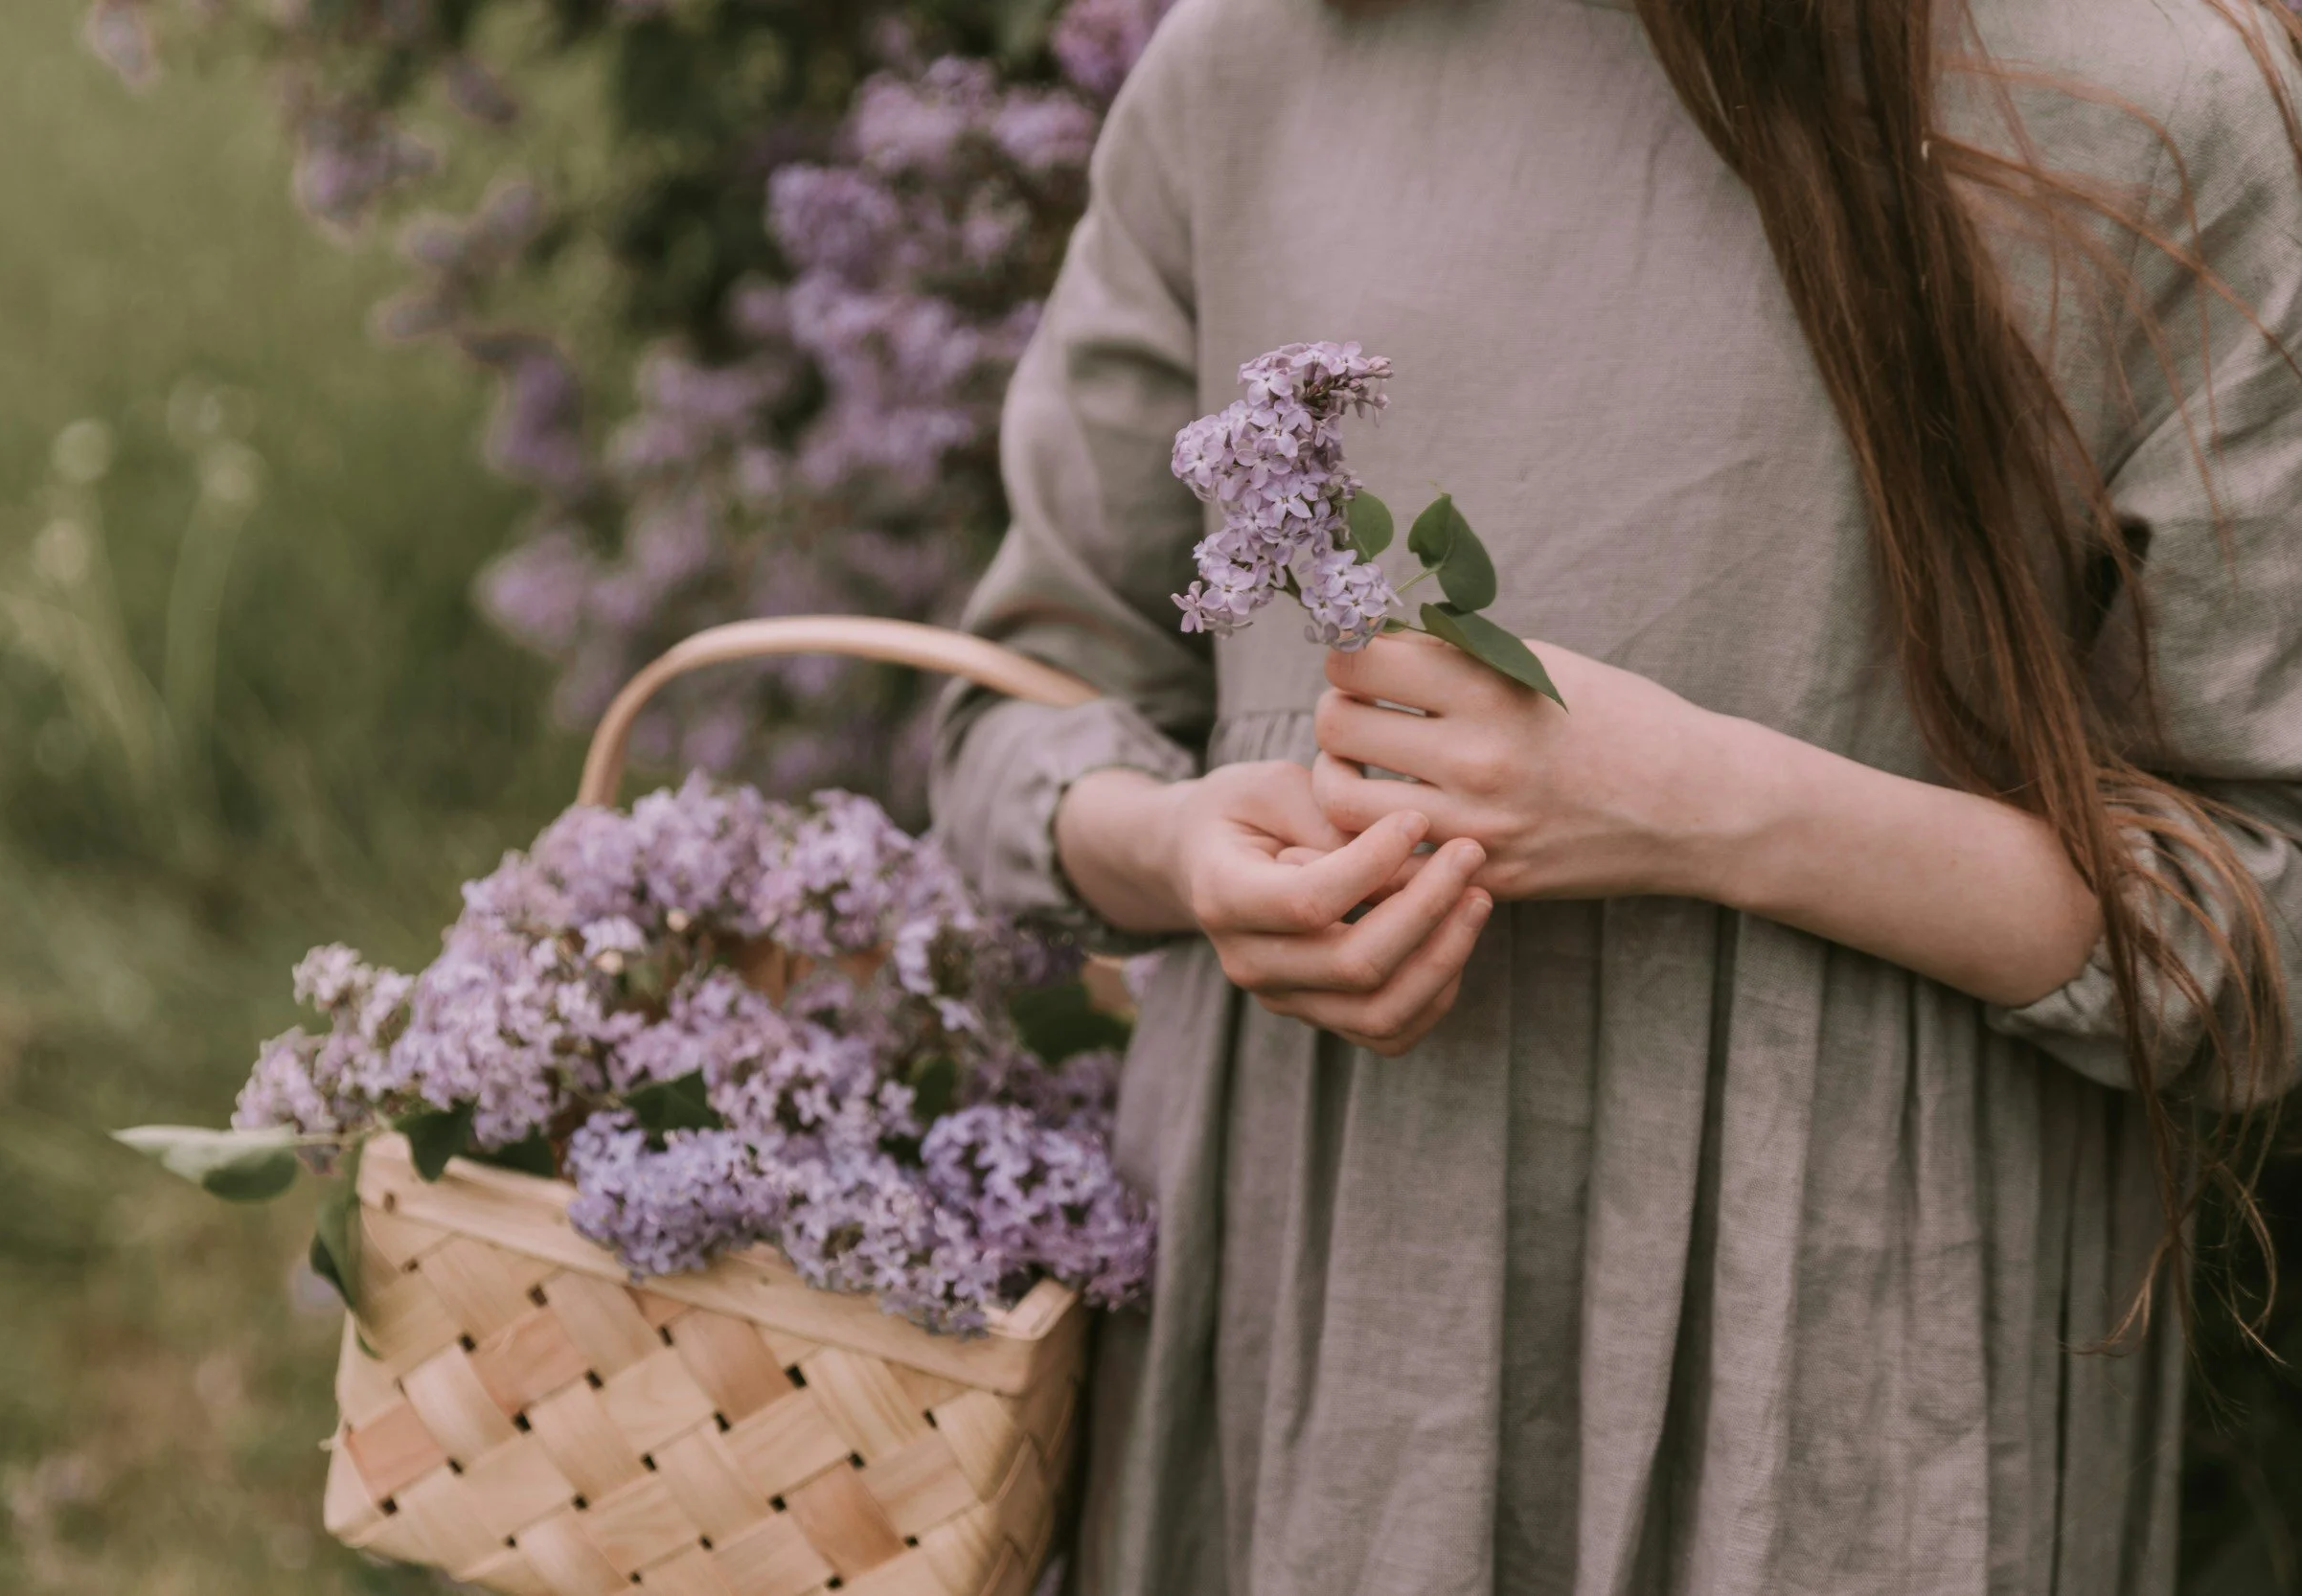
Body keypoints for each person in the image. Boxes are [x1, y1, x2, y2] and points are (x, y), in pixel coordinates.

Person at [927, 0, 2302, 1588]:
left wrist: (1708, 803)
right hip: (1315, 1379)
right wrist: (1179, 847)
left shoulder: (2144, 98)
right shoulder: (1244, 67)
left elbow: (2263, 913)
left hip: (1844, 1399)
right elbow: (1015, 720)